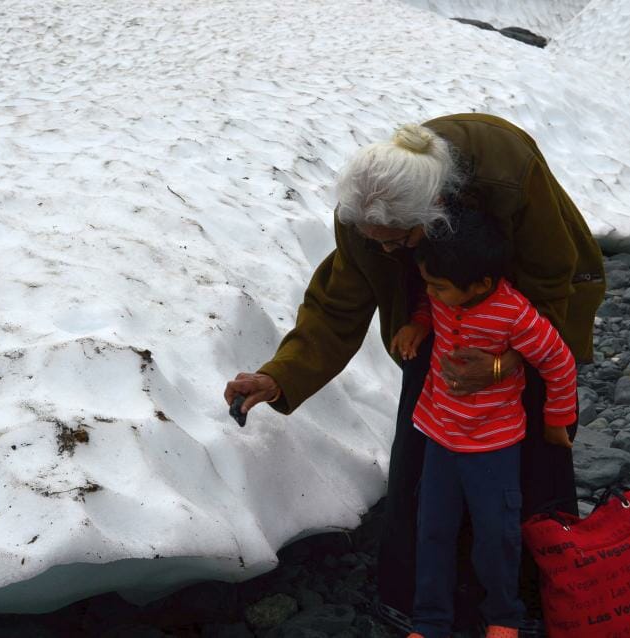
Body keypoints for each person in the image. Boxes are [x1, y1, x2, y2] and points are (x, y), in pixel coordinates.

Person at [223, 113, 605, 634]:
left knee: (528, 462)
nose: (383, 252)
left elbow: (551, 277)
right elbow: (339, 303)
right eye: (373, 241)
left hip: (533, 310)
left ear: (437, 213)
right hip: (436, 320)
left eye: (396, 243)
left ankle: (524, 599)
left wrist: (506, 361)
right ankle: (428, 602)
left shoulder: (504, 172)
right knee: (426, 461)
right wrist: (279, 376)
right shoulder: (371, 219)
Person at [396, 207, 578, 638]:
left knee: (496, 536)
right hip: (439, 435)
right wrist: (419, 324)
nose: (432, 293)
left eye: (438, 286)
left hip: (493, 446)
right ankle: (431, 621)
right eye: (428, 283)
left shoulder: (514, 314)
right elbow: (431, 304)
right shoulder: (444, 295)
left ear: (481, 283)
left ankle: (503, 617)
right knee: (433, 531)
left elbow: (559, 362)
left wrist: (558, 421)